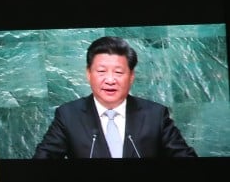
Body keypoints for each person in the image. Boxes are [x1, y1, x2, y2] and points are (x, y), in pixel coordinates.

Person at [32, 36, 196, 159]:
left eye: (118, 72)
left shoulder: (155, 114)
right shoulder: (68, 115)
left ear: (131, 76)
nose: (110, 80)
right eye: (101, 71)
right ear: (88, 74)